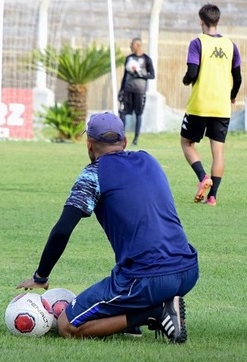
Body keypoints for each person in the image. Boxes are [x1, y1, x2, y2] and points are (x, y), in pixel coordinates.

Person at [16, 112, 199, 342]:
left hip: (148, 277)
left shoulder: (93, 175)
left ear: (89, 146)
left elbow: (63, 229)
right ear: (124, 141)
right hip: (188, 269)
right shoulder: (149, 160)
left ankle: (154, 313)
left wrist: (40, 277)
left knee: (68, 326)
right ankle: (141, 312)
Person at [180, 3, 242, 206]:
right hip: (221, 106)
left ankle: (202, 177)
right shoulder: (231, 45)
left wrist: (186, 81)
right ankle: (212, 197)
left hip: (200, 104)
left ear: (202, 22)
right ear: (218, 21)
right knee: (218, 152)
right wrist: (232, 95)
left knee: (187, 143)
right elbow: (238, 77)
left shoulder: (197, 43)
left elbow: (192, 73)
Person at [118, 38, 155, 146]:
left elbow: (152, 75)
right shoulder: (129, 58)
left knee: (138, 114)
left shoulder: (146, 59)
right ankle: (121, 137)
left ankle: (135, 139)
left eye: (132, 45)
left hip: (139, 91)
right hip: (127, 90)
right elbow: (125, 75)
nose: (130, 46)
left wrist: (140, 75)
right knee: (123, 113)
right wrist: (121, 90)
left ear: (138, 45)